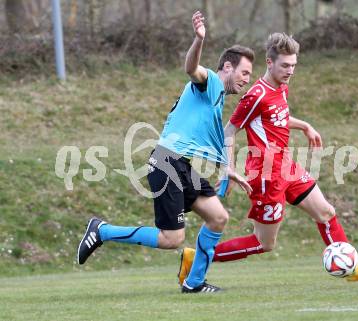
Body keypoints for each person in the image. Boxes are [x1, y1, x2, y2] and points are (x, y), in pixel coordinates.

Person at [178, 32, 358, 284]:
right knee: (264, 243)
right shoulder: (255, 95)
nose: (290, 71)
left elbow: (277, 119)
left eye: (293, 65)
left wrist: (304, 125)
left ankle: (352, 268)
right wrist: (229, 167)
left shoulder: (281, 87)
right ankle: (197, 257)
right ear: (270, 63)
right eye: (285, 65)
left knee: (325, 212)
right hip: (266, 175)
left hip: (287, 167)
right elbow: (229, 130)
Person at [77, 11, 254, 293]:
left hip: (179, 164)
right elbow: (191, 68)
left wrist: (227, 168)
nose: (247, 80)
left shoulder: (216, 99)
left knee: (218, 217)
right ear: (228, 67)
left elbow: (206, 137)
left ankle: (194, 283)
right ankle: (102, 230)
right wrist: (198, 40)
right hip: (166, 163)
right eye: (244, 72)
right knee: (172, 238)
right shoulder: (211, 82)